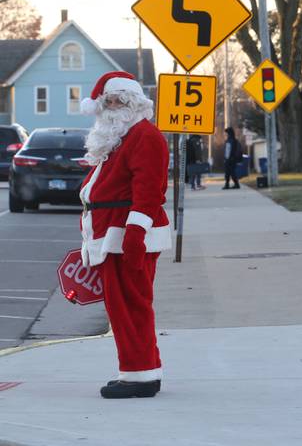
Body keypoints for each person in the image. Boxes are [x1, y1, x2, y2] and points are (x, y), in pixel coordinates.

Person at [78, 71, 171, 398]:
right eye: (108, 102)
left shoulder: (145, 135)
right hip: (112, 236)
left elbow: (149, 190)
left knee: (132, 306)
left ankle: (140, 377)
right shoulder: (119, 138)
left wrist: (135, 234)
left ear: (134, 103)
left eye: (119, 100)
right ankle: (140, 370)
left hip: (127, 236)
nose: (113, 106)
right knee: (123, 308)